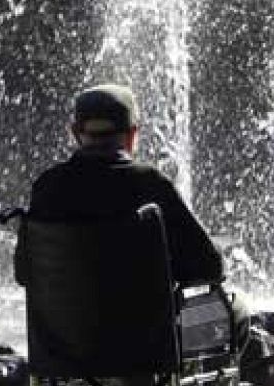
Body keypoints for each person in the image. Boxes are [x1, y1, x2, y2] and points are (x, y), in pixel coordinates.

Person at [16, 83, 223, 288]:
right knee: (237, 307)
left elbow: (24, 274)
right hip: (145, 321)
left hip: (61, 322)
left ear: (75, 133)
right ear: (133, 135)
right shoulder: (150, 184)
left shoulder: (47, 188)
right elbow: (210, 267)